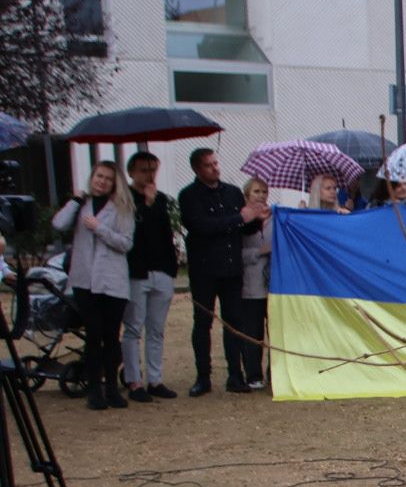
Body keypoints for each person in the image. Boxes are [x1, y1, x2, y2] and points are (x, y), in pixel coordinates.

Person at [180, 148, 267, 396]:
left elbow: (245, 230)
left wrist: (257, 217)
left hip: (231, 269)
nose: (215, 168)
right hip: (205, 269)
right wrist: (240, 217)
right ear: (197, 169)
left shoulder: (232, 193)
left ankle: (235, 374)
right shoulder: (189, 196)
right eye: (208, 165)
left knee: (234, 323)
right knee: (203, 323)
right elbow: (202, 226)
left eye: (216, 163)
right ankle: (203, 376)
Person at [51, 161, 136, 410]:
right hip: (85, 279)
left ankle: (111, 387)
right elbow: (58, 224)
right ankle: (93, 389)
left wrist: (100, 229)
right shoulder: (82, 205)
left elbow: (125, 243)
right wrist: (75, 201)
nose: (102, 181)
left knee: (111, 336)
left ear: (114, 183)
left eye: (108, 178)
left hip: (111, 280)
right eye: (99, 176)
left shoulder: (122, 208)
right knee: (93, 334)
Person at [121, 151, 179, 402]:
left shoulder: (162, 200)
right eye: (143, 170)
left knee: (156, 329)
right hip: (137, 271)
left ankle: (155, 379)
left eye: (153, 170)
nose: (149, 175)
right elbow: (132, 230)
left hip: (161, 269)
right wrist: (145, 204)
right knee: (134, 327)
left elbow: (167, 232)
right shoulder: (124, 199)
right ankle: (134, 380)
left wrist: (172, 267)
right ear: (132, 172)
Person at [239, 177, 272, 391]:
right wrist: (259, 252)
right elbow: (236, 251)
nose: (261, 195)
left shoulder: (275, 218)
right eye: (256, 192)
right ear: (247, 195)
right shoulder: (241, 219)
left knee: (276, 330)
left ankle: (273, 371)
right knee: (253, 331)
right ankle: (253, 373)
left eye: (264, 192)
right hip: (250, 283)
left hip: (273, 284)